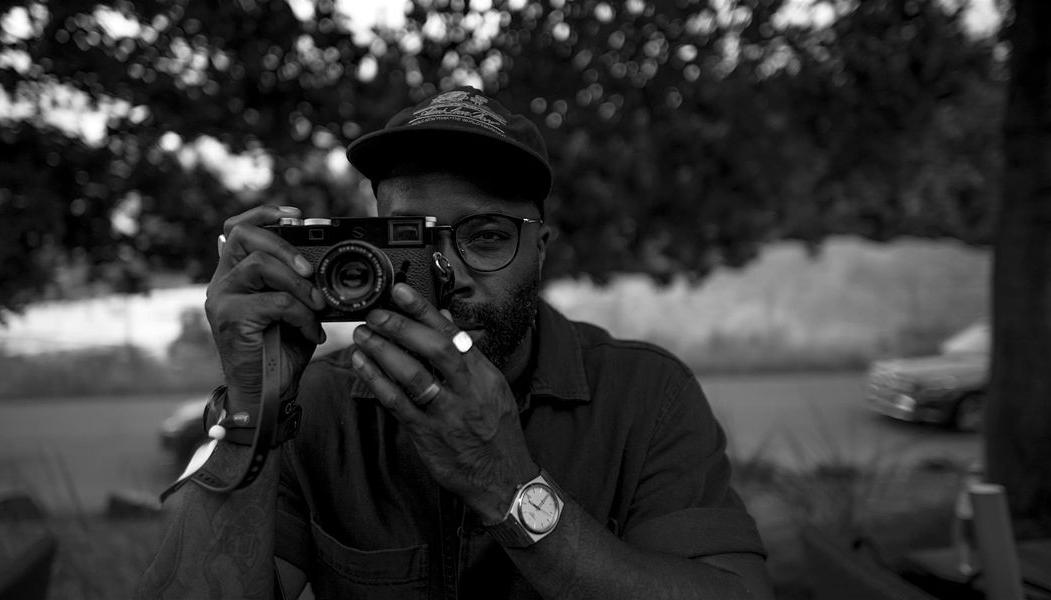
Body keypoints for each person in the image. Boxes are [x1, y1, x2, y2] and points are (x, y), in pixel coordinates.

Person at [137, 86, 774, 599]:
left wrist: (507, 483)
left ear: (540, 250)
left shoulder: (646, 396)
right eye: (411, 244)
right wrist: (253, 409)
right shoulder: (316, 406)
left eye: (487, 236)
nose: (448, 277)